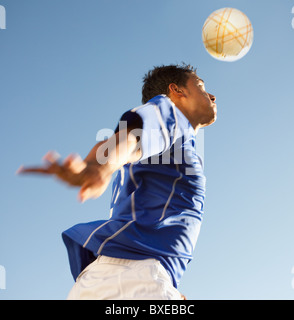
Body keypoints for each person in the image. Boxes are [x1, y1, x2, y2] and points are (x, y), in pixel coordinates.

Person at [18, 64, 217, 300]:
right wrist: (98, 167)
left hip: (128, 279)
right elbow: (130, 137)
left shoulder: (177, 144)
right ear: (177, 91)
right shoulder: (169, 113)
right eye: (201, 86)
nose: (212, 95)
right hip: (133, 279)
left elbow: (115, 143)